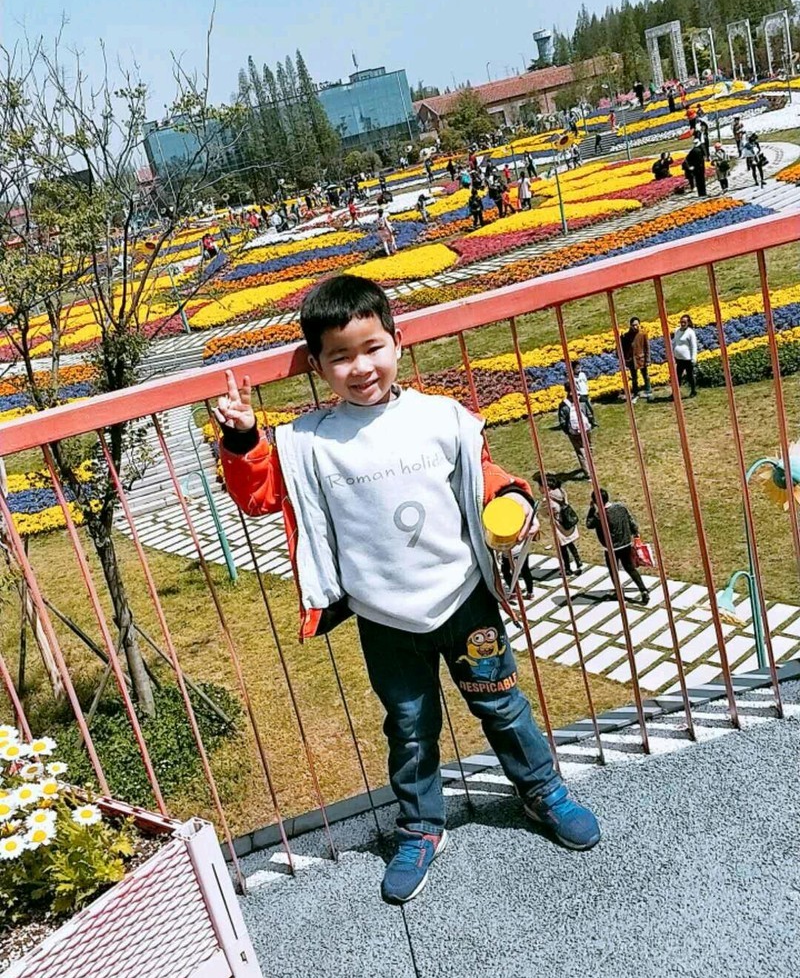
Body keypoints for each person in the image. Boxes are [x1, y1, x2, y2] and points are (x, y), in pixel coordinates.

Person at [215, 275, 600, 903]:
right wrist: (241, 437)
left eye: (373, 348)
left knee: (502, 705)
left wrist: (514, 500)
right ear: (317, 365)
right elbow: (258, 496)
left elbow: (484, 477)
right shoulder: (307, 442)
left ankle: (543, 791)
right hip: (384, 619)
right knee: (409, 726)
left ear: (398, 342)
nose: (360, 367)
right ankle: (421, 826)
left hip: (464, 600)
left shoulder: (441, 419)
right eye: (340, 356)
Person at [586, 489, 648, 604]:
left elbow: (589, 524)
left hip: (611, 548)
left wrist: (591, 510)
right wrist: (635, 533)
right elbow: (630, 520)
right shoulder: (620, 507)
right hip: (625, 543)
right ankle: (643, 590)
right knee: (630, 568)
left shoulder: (599, 516)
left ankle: (619, 592)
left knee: (613, 571)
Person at [537, 474, 583, 576]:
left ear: (546, 487)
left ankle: (567, 568)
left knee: (563, 547)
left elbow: (543, 512)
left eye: (540, 486)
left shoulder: (547, 500)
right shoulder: (560, 491)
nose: (539, 489)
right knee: (570, 543)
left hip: (559, 525)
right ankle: (578, 561)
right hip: (567, 520)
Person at [557, 383, 595, 478]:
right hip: (586, 428)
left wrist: (567, 431)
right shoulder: (582, 400)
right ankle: (590, 464)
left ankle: (588, 473)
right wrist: (591, 422)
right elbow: (589, 413)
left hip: (573, 431)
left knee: (580, 451)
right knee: (588, 446)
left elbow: (562, 421)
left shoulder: (563, 405)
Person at [620, 317, 651, 401]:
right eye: (633, 325)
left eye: (636, 325)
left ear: (639, 324)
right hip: (632, 360)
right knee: (634, 378)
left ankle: (648, 391)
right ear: (630, 325)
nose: (635, 327)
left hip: (641, 359)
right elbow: (623, 348)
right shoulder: (626, 336)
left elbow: (647, 348)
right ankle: (635, 393)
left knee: (645, 375)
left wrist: (647, 360)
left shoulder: (643, 334)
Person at [672, 313, 698, 398]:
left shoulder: (690, 332)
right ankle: (676, 392)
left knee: (689, 375)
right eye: (681, 322)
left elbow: (694, 346)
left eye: (684, 322)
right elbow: (675, 342)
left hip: (687, 359)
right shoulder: (677, 330)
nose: (682, 324)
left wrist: (693, 358)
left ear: (688, 323)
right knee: (677, 376)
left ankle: (693, 391)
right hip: (679, 358)